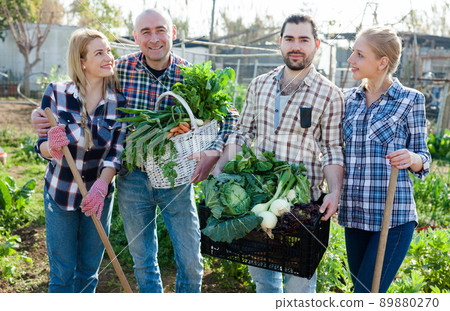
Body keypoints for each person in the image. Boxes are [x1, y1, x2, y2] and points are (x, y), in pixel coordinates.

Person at [32, 8, 238, 293]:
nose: (154, 39)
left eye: (160, 30)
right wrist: (40, 123)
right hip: (130, 180)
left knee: (191, 261)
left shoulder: (189, 75)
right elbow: (68, 100)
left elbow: (230, 117)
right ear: (136, 38)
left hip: (177, 180)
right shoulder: (120, 71)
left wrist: (214, 152)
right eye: (146, 32)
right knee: (142, 261)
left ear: (173, 33)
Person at [213, 14, 345, 293]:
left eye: (303, 40)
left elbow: (333, 149)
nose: (295, 46)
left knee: (299, 286)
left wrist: (334, 192)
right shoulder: (260, 84)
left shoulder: (329, 94)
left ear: (316, 44)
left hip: (301, 207)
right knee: (264, 279)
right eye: (289, 39)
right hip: (258, 201)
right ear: (280, 43)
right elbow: (242, 133)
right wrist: (219, 170)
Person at [338, 26, 431, 293]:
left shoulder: (410, 100)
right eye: (352, 52)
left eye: (359, 54)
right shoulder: (348, 101)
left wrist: (411, 157)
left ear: (382, 62)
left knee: (365, 294)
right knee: (361, 294)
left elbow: (424, 158)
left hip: (393, 219)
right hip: (355, 216)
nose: (350, 60)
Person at [35, 28, 128, 292]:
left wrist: (102, 185)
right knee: (62, 275)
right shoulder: (56, 93)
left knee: (88, 273)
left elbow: (117, 149)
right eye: (99, 53)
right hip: (61, 192)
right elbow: (39, 144)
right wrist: (50, 147)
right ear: (82, 61)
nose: (108, 56)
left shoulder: (119, 101)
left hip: (98, 197)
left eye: (109, 50)